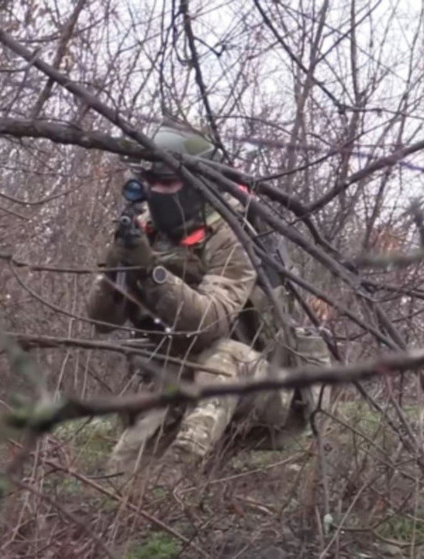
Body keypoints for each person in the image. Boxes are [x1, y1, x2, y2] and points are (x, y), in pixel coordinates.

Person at [86, 120, 295, 481]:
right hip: (177, 369)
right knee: (122, 472)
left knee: (224, 358)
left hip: (264, 383)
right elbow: (102, 322)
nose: (156, 191)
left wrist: (153, 274)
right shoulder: (145, 227)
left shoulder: (232, 233)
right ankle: (129, 489)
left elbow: (210, 323)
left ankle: (177, 479)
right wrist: (119, 262)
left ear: (199, 181)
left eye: (168, 182)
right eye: (151, 182)